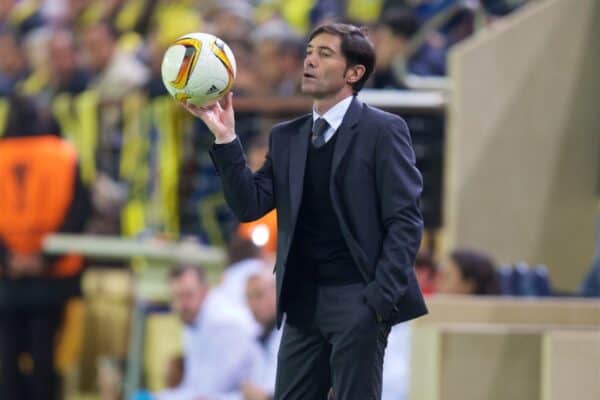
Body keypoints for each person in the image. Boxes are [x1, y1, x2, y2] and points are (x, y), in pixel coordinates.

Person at [183, 22, 426, 400]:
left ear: (354, 72)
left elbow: (405, 221)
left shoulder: (384, 130)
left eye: (324, 54)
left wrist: (378, 301)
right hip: (302, 302)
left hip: (358, 299)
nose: (309, 60)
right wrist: (226, 137)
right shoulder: (286, 137)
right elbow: (249, 205)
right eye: (309, 52)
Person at [0, 93, 90, 400]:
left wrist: (9, 257)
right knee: (45, 357)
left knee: (6, 359)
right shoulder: (64, 154)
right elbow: (79, 211)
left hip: (6, 277)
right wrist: (44, 257)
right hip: (53, 278)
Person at [154, 265, 258, 400]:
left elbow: (210, 390)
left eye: (188, 295)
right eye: (176, 297)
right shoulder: (193, 318)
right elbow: (195, 386)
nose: (181, 305)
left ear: (205, 290)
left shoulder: (223, 322)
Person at [240, 270, 282, 400]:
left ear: (277, 293)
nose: (253, 304)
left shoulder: (294, 335)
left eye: (258, 295)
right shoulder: (256, 337)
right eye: (248, 297)